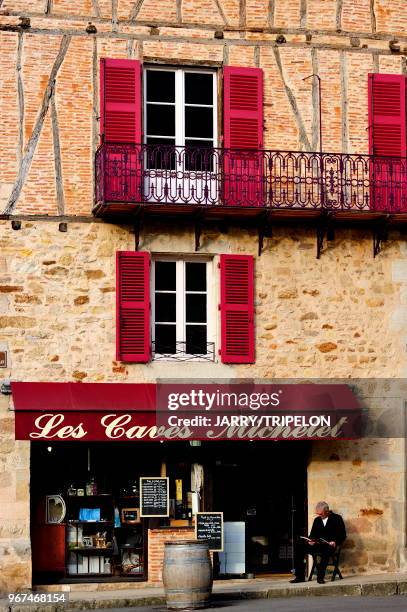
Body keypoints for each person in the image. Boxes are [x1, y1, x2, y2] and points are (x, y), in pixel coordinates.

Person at [290, 501, 346, 585]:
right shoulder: (317, 520)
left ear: (327, 512)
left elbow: (342, 534)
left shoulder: (337, 518)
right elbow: (312, 534)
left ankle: (320, 577)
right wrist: (310, 540)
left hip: (330, 545)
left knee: (326, 551)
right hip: (318, 544)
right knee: (299, 547)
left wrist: (335, 542)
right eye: (318, 514)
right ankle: (300, 576)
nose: (319, 516)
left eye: (321, 514)